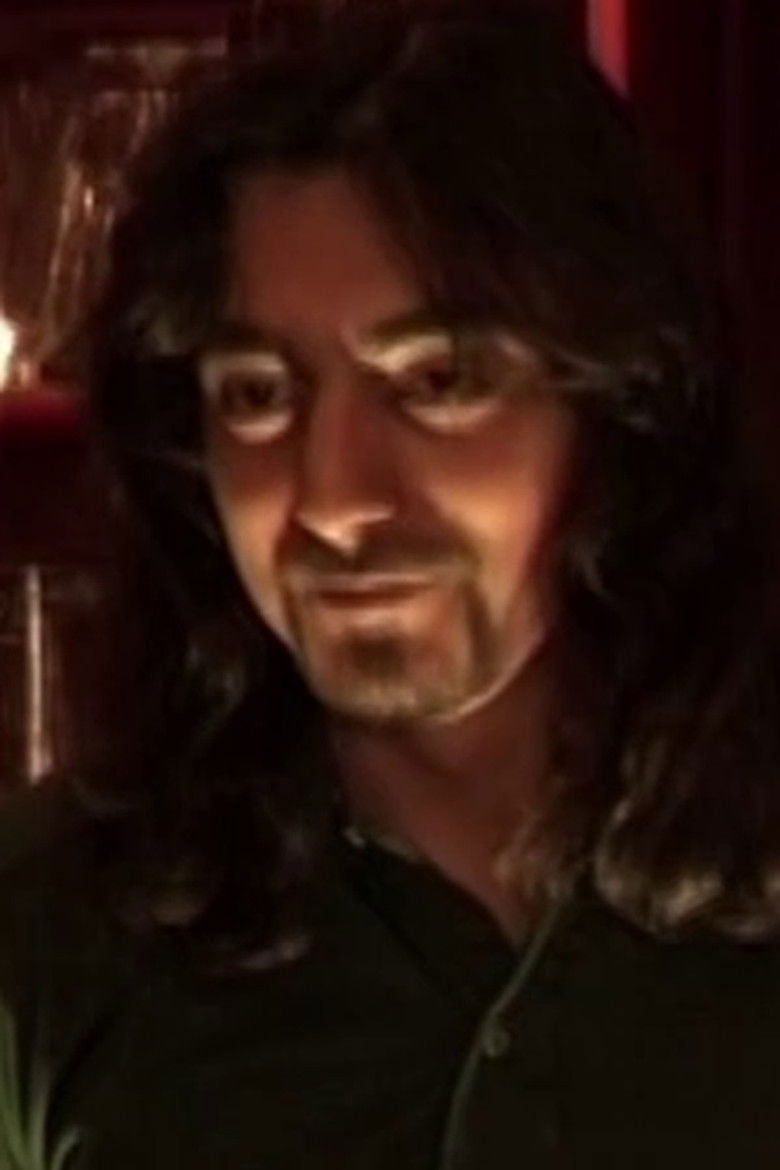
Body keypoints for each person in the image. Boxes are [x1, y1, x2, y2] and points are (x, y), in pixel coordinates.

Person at [2, 1, 780, 1166]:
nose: (333, 499)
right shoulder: (49, 934)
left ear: (617, 406)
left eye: (437, 381)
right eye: (259, 396)